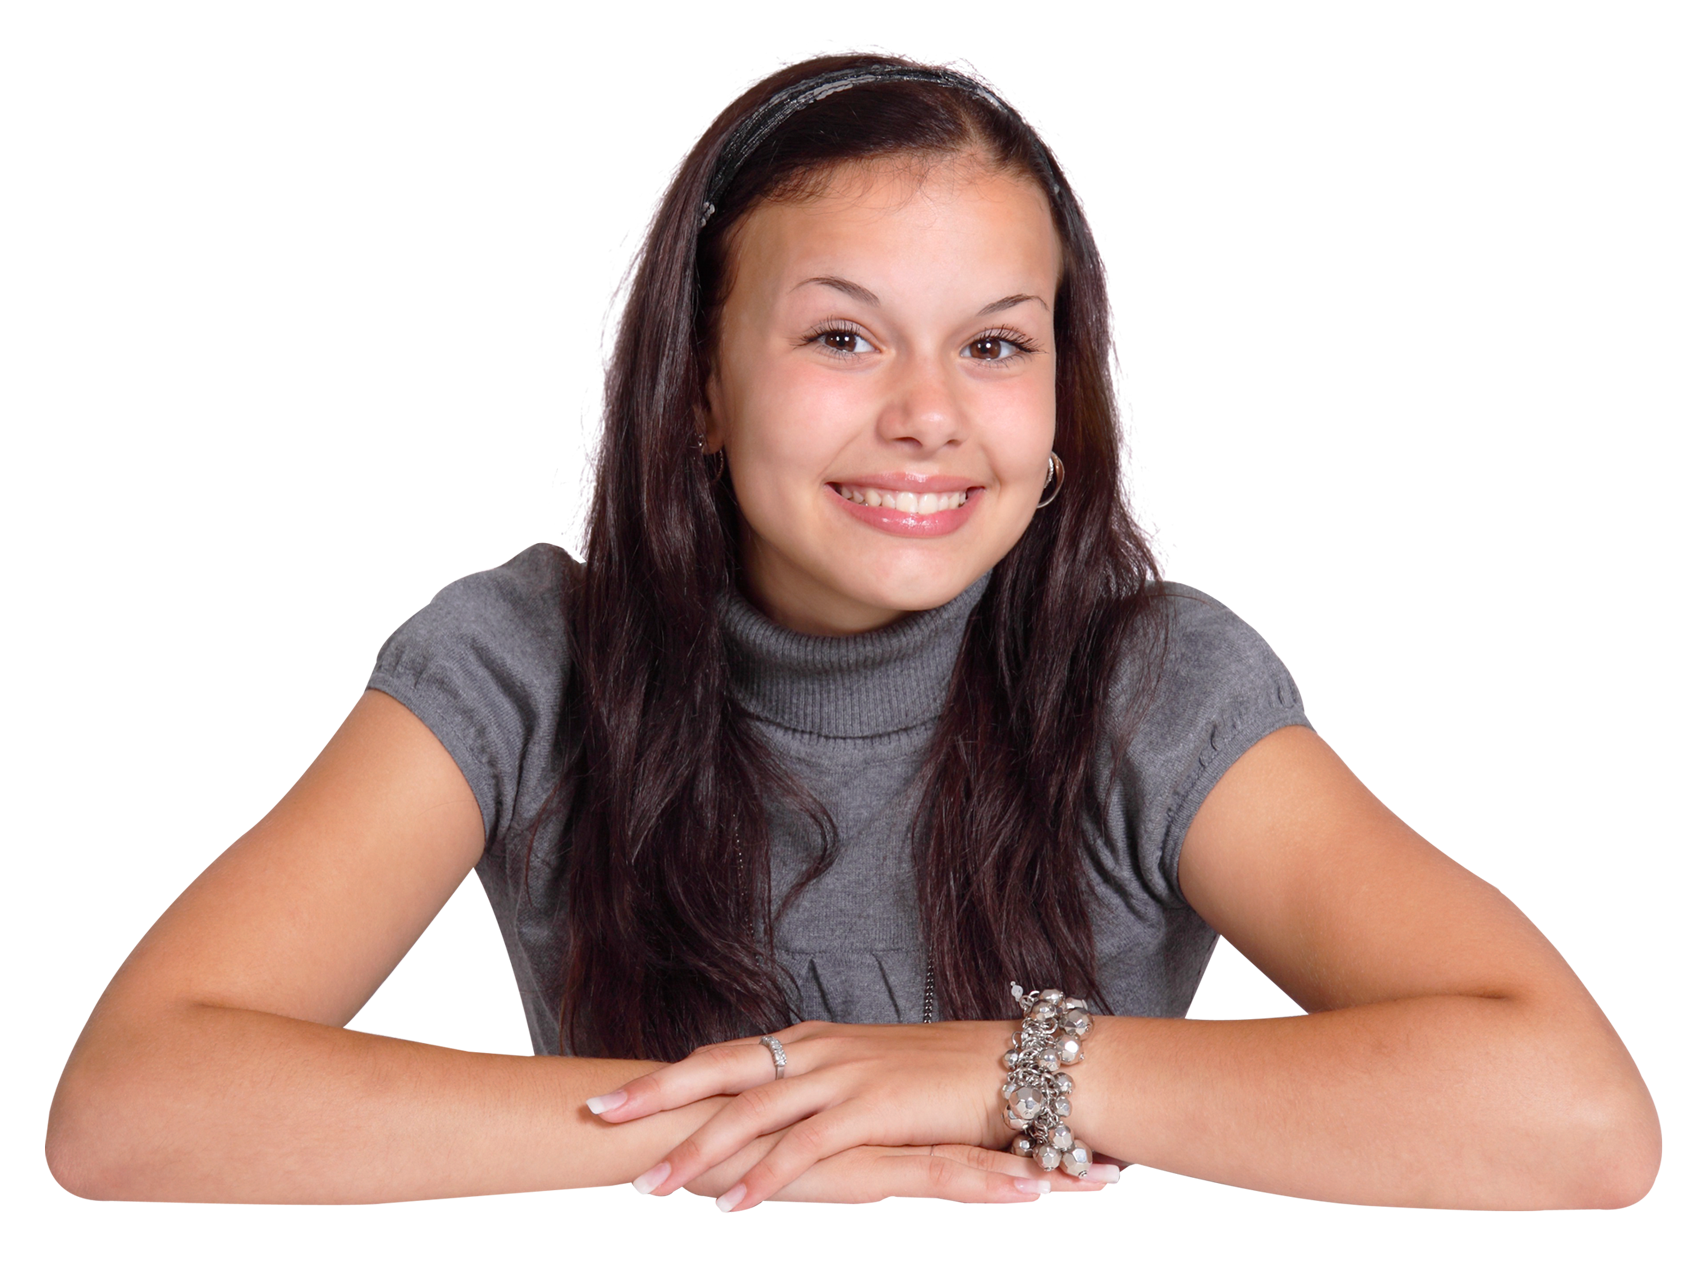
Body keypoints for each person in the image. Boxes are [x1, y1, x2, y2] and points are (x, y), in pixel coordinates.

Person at [46, 51, 1658, 1210]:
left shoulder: (1148, 680)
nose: (928, 417)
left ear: (1062, 406)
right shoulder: (524, 656)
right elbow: (135, 1112)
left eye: (996, 345)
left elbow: (1575, 1122)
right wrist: (779, 1133)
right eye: (840, 333)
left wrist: (988, 1069)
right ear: (696, 384)